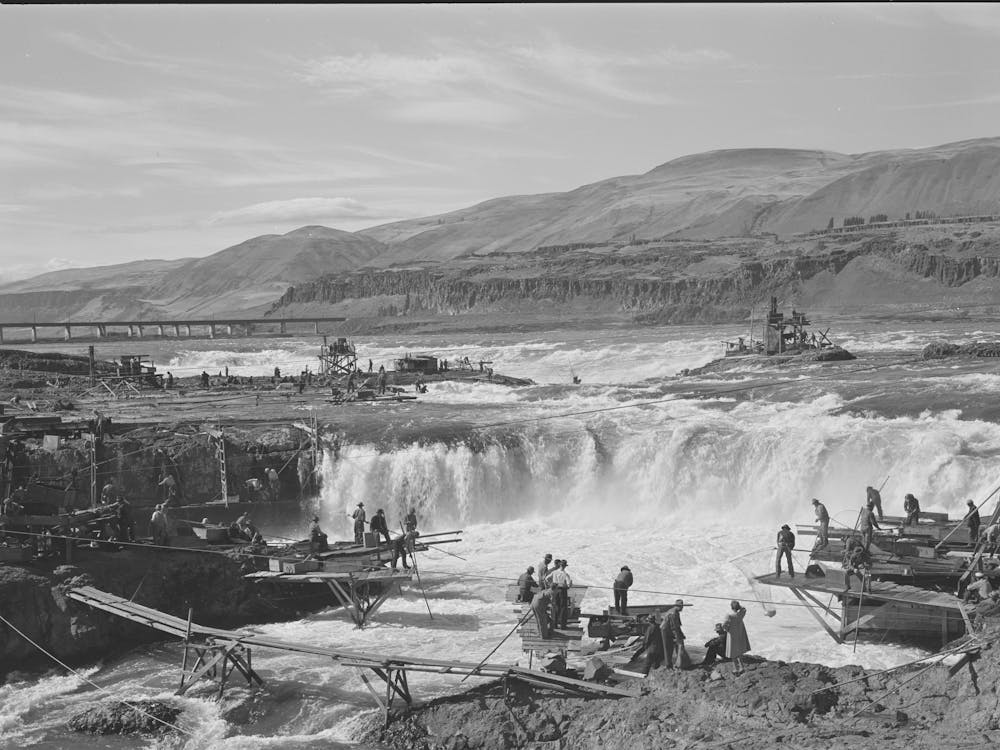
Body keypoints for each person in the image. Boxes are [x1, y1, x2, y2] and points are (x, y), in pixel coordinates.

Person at [723, 600, 751, 674]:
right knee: (739, 652)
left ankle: (736, 668)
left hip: (732, 635)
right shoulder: (741, 614)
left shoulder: (729, 615)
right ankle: (742, 667)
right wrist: (739, 607)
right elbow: (744, 609)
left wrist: (728, 630)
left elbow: (724, 625)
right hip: (740, 634)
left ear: (731, 607)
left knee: (733, 652)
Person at [660, 600, 686, 669]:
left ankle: (673, 663)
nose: (682, 608)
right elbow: (673, 627)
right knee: (668, 648)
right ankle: (668, 665)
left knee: (672, 647)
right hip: (665, 630)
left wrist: (681, 634)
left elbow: (678, 626)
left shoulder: (676, 612)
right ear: (678, 606)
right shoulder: (673, 613)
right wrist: (677, 638)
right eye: (681, 606)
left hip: (669, 629)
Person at [549, 559, 573, 629]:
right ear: (565, 566)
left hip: (555, 590)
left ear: (559, 565)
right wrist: (570, 584)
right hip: (562, 591)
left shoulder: (554, 572)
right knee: (563, 608)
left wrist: (551, 585)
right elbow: (569, 585)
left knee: (556, 607)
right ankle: (563, 625)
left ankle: (555, 625)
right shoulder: (565, 574)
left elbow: (546, 579)